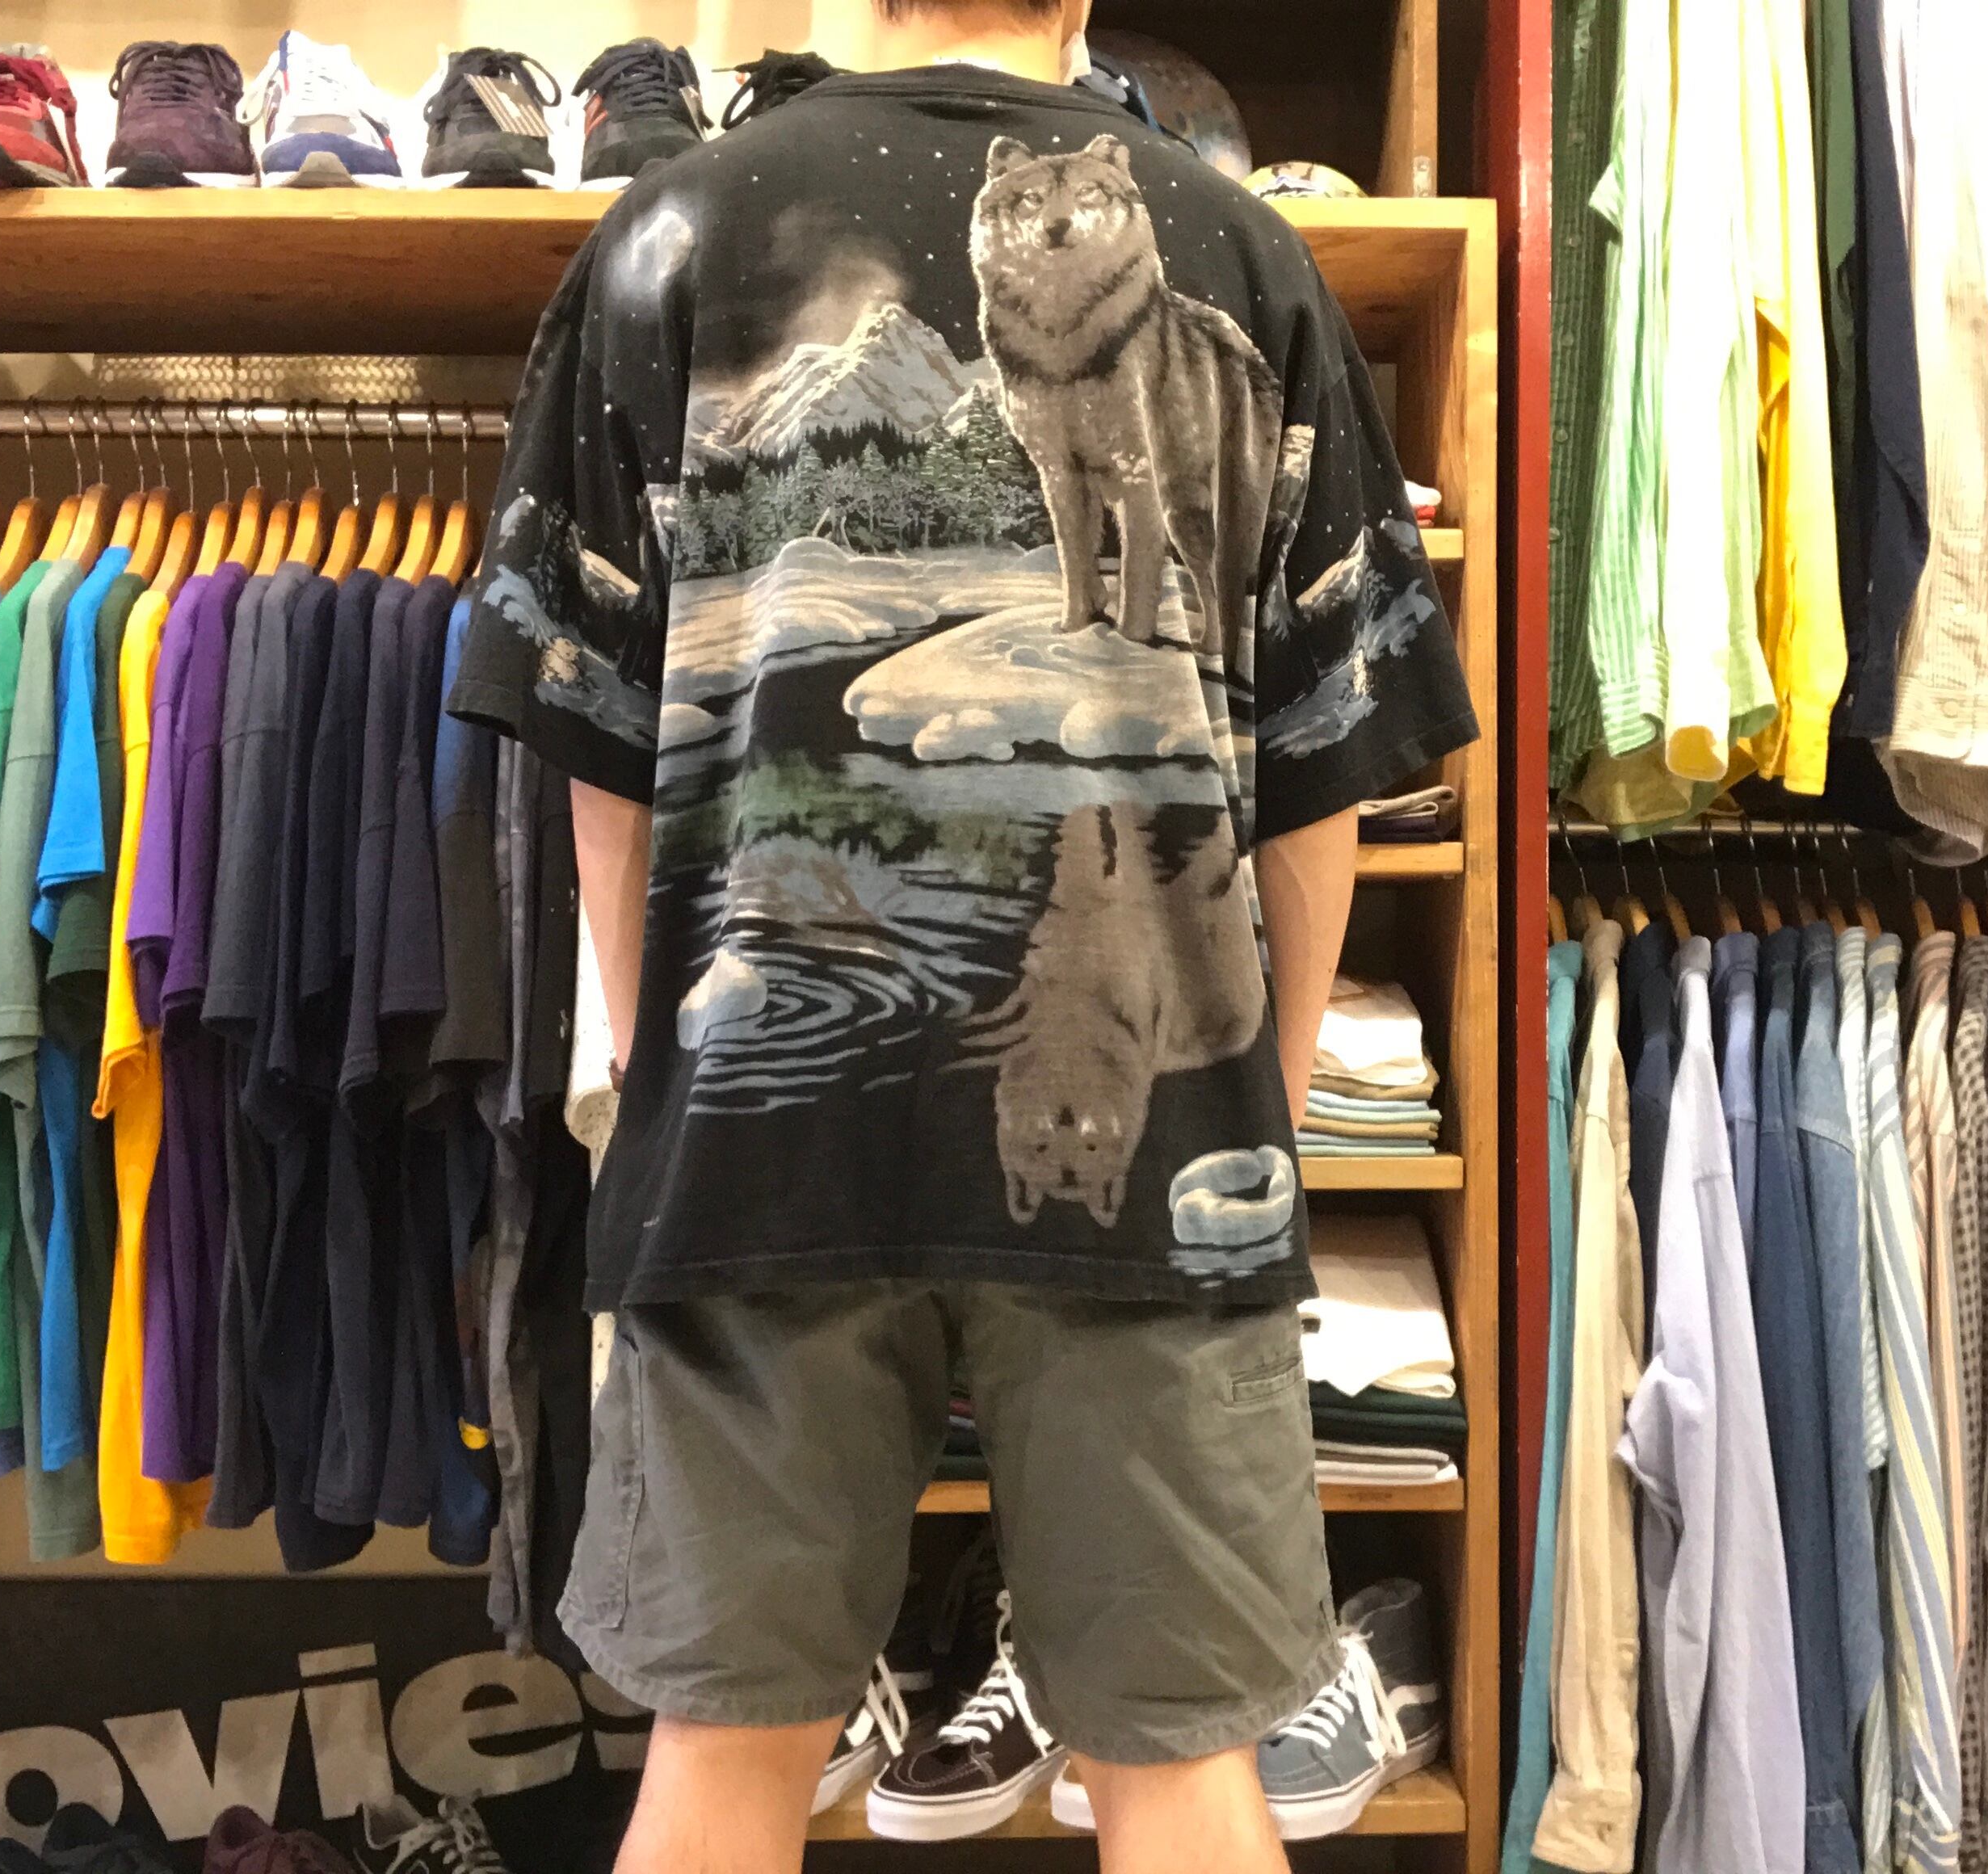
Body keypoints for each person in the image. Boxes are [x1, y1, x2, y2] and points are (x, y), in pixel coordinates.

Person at [449, 1, 1477, 1868]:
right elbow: (1327, 768)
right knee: (1186, 1767)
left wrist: (665, 1072)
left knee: (721, 1757)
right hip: (1157, 1146)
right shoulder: (1249, 245)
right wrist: (1246, 1091)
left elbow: (602, 753)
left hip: (755, 1146)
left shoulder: (668, 233)